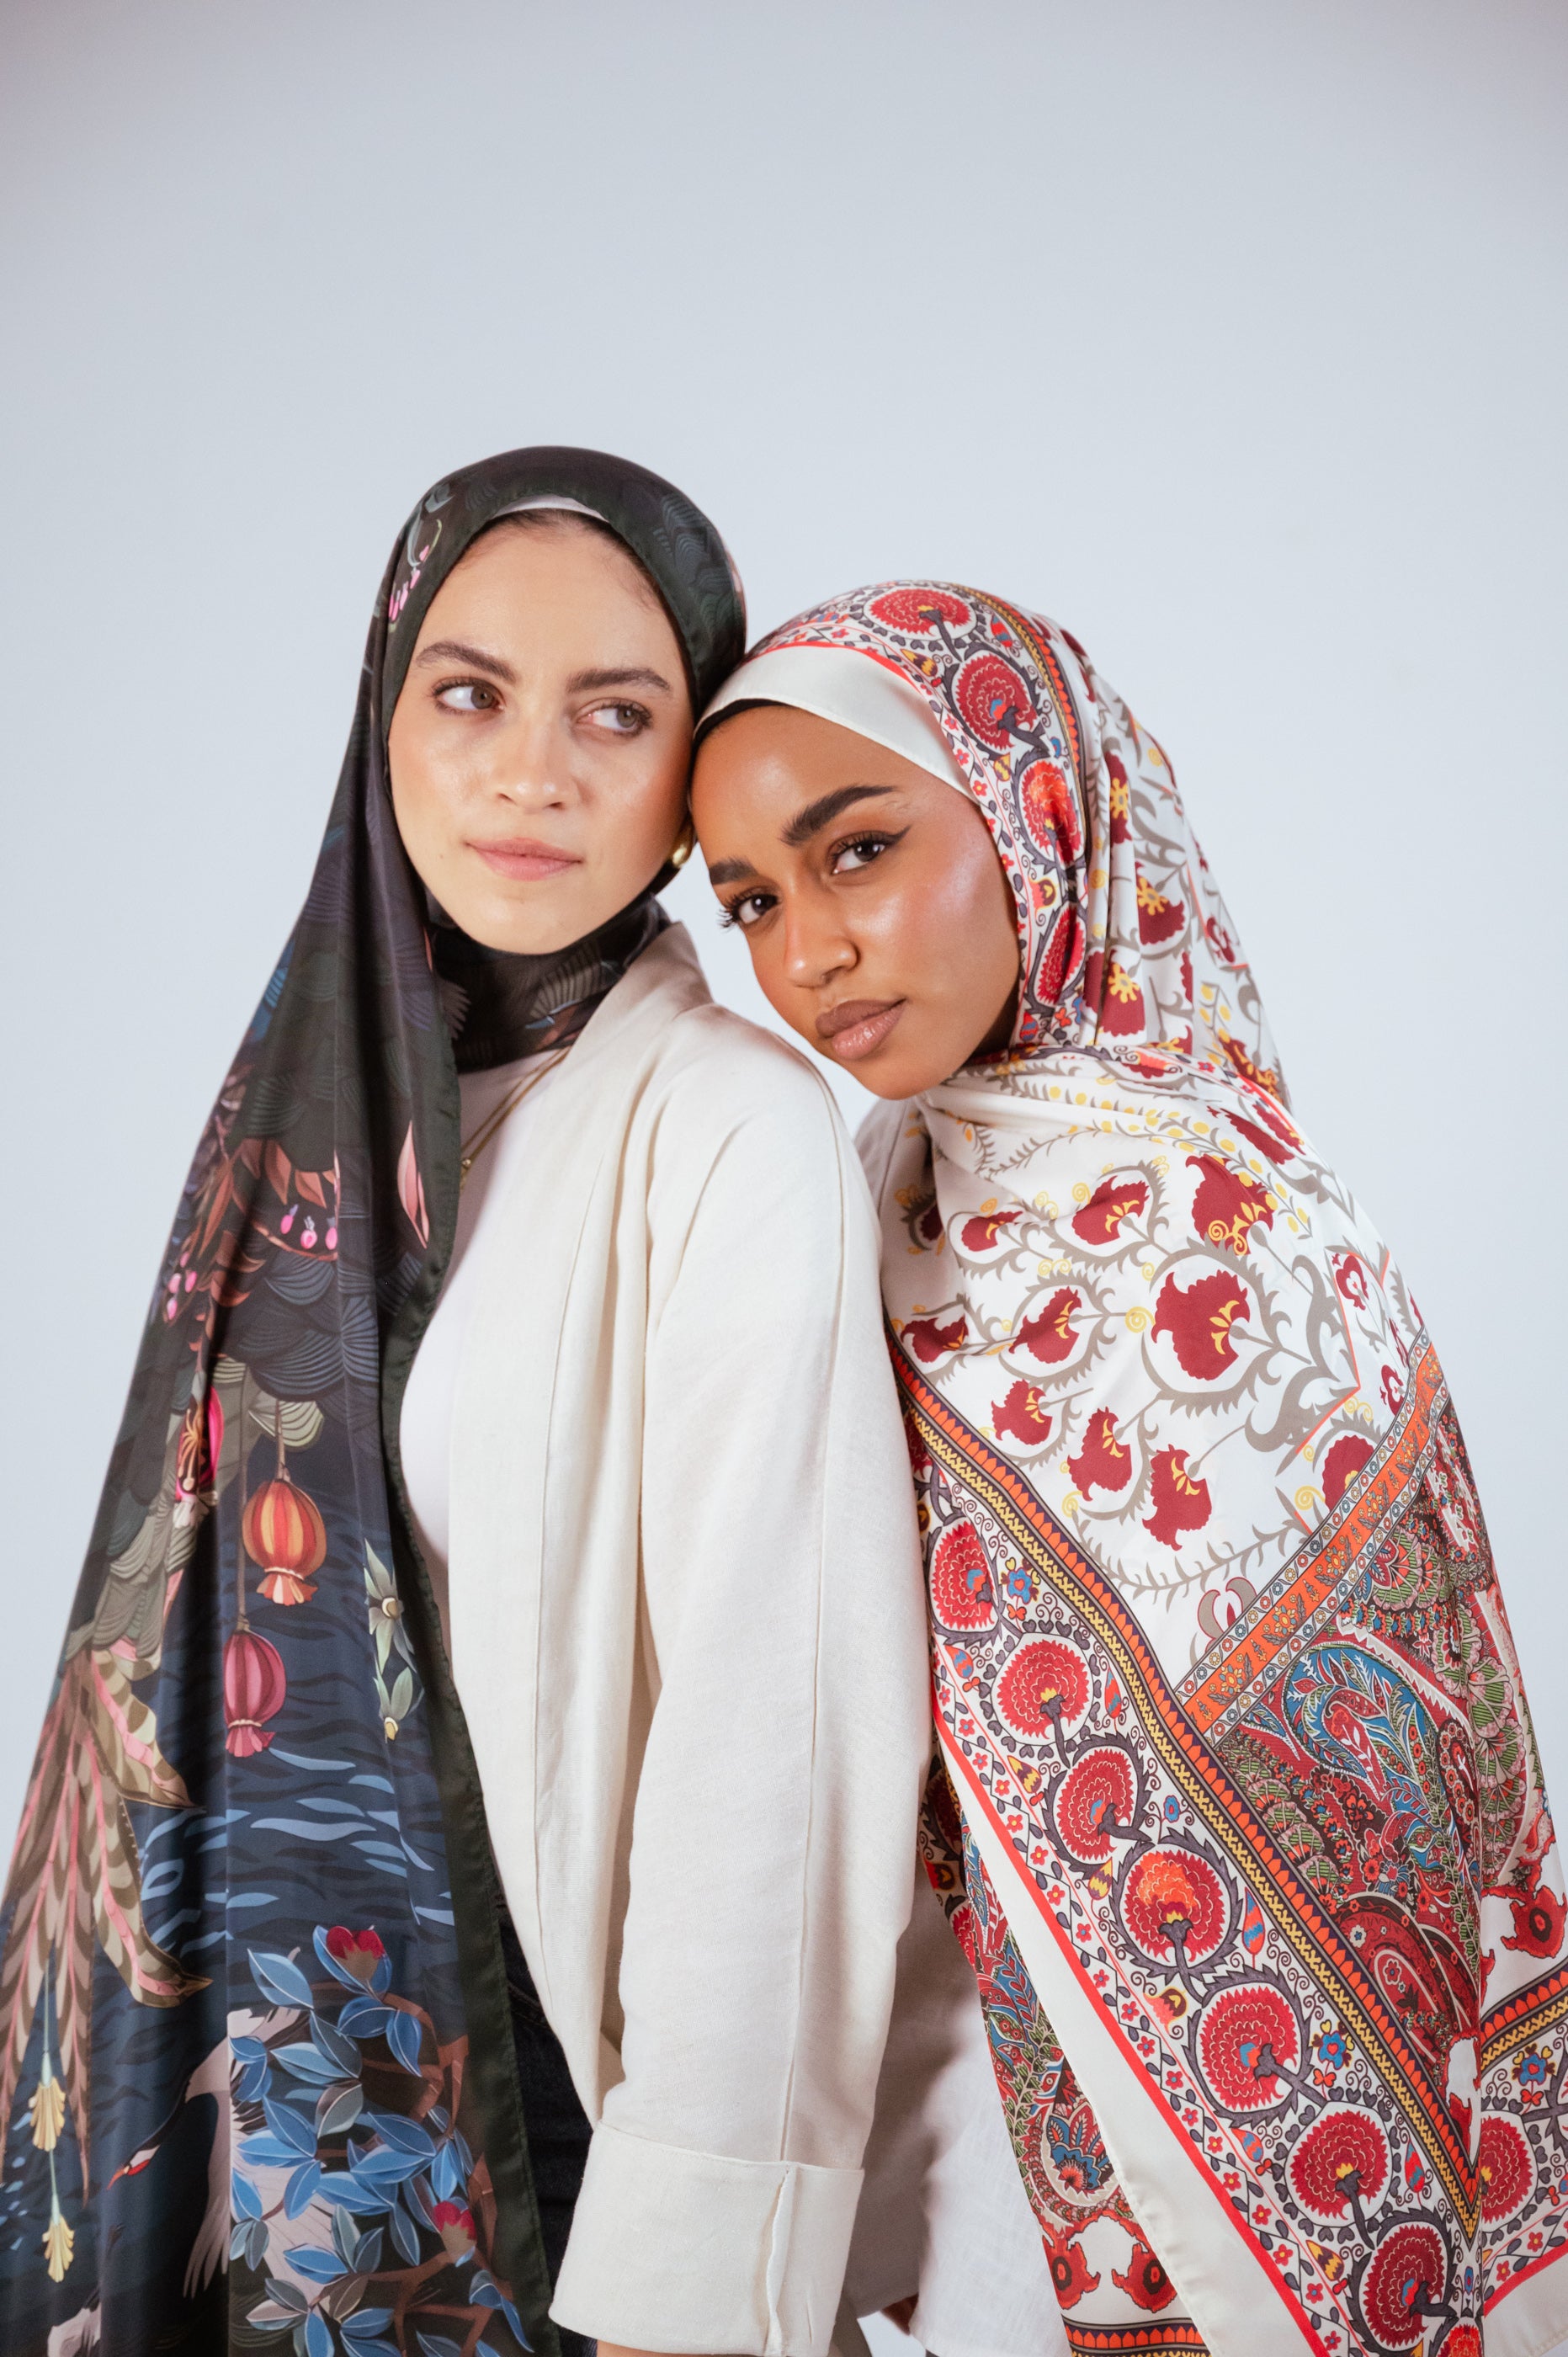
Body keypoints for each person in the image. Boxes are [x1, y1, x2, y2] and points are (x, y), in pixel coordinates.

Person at [0, 456, 929, 2357]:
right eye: (470, 691)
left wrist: (694, 2274)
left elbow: (781, 1726)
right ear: (383, 708)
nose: (535, 772)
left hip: (541, 2162)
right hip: (244, 2115)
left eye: (617, 709)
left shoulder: (722, 1129)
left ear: (689, 760)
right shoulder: (318, 1108)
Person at [690, 583, 1568, 2357]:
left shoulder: (1240, 1223)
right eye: (751, 903)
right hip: (993, 2136)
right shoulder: (855, 1204)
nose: (805, 957)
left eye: (855, 850)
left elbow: (1389, 1793)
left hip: (1299, 2172)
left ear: (1033, 812)